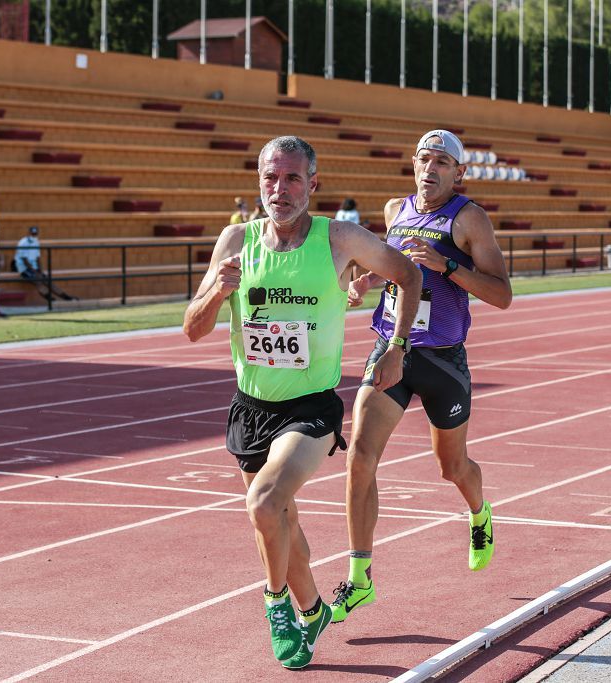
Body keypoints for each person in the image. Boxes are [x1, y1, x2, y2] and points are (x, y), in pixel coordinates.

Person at [183, 136, 422, 669]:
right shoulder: (234, 241)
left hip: (311, 407)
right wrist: (215, 294)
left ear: (313, 184)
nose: (280, 189)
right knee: (285, 531)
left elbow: (408, 274)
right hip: (251, 407)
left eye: (292, 178)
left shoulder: (339, 238)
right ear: (258, 182)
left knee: (265, 504)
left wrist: (397, 347)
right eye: (271, 178)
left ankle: (277, 609)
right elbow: (192, 329)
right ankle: (312, 609)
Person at [330, 129, 513, 624]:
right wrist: (365, 281)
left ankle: (478, 513)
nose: (429, 169)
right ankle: (359, 575)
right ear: (412, 164)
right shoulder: (395, 210)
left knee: (451, 467)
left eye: (440, 162)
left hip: (443, 361)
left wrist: (448, 266)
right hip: (393, 348)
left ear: (459, 173)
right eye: (423, 159)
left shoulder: (469, 218)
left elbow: (501, 294)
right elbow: (391, 266)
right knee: (360, 456)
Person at [13, 226, 75, 301]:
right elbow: (24, 260)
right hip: (23, 268)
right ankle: (51, 301)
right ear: (28, 233)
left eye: (35, 234)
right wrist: (35, 272)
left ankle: (67, 298)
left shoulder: (36, 242)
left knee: (47, 281)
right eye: (32, 234)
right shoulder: (23, 242)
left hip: (34, 267)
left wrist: (40, 270)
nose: (34, 235)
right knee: (38, 282)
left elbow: (38, 257)